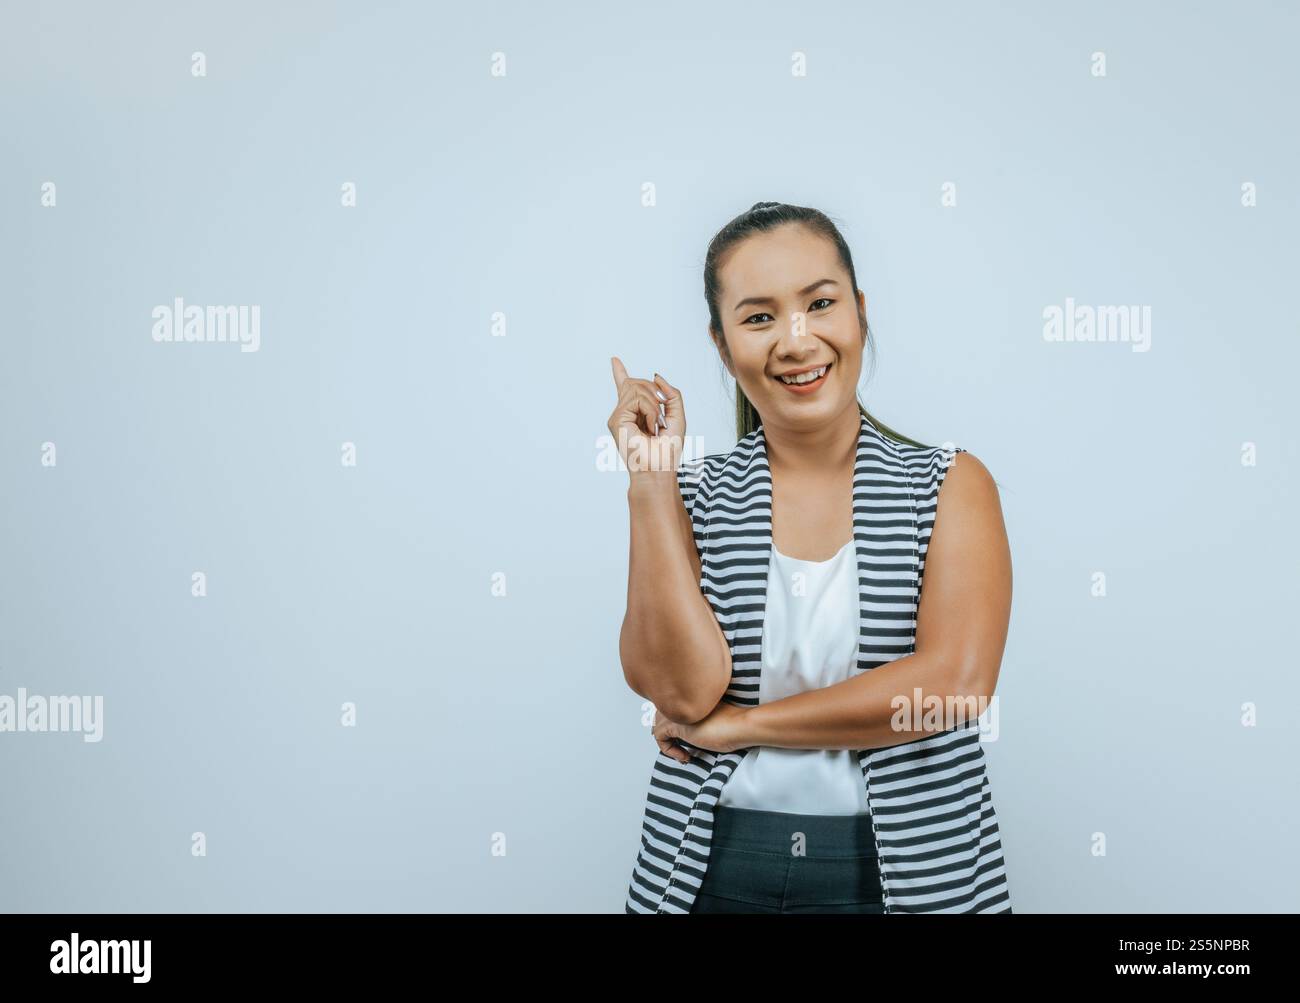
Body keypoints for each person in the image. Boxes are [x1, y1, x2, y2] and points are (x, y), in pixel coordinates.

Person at [610, 201, 1013, 914]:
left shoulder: (949, 483)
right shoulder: (694, 493)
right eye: (758, 317)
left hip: (901, 868)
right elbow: (678, 693)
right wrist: (651, 482)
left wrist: (740, 724)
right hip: (713, 858)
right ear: (721, 342)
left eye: (820, 303)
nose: (797, 341)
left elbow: (952, 687)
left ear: (859, 311)